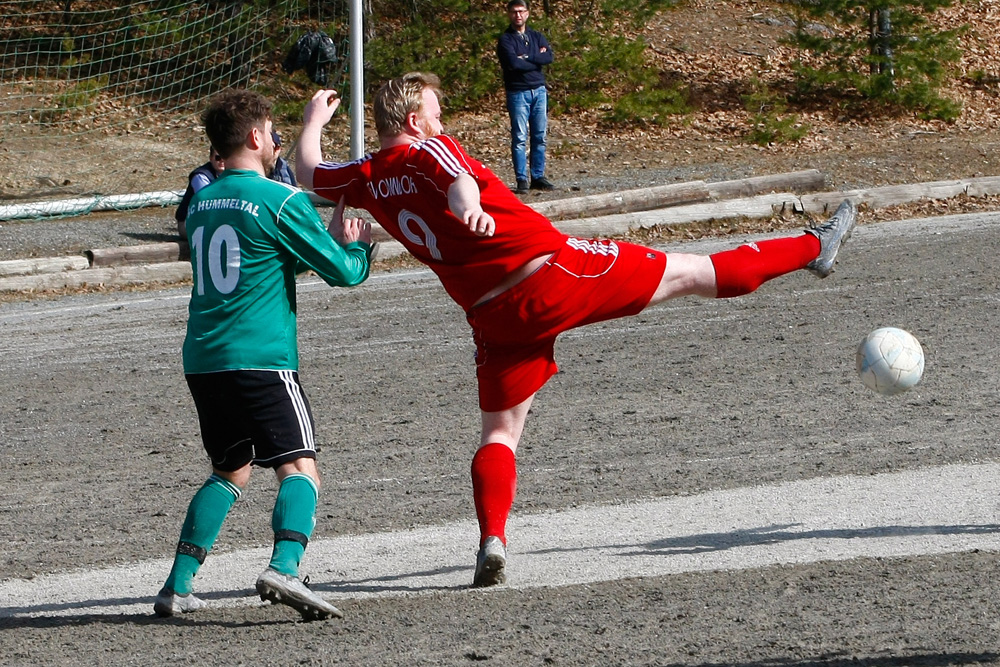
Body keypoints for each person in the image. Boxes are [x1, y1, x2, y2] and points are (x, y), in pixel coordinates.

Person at [295, 72, 856, 588]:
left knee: (499, 434)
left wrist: (313, 123)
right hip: (551, 275)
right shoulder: (426, 150)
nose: (443, 124)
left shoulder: (368, 174)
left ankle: (493, 539)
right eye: (437, 114)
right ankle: (813, 246)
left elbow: (308, 173)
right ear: (415, 122)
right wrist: (470, 209)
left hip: (492, 316)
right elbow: (458, 180)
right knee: (692, 271)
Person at [154, 88, 374, 620]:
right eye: (273, 131)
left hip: (204, 359)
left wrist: (315, 246)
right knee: (300, 466)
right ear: (255, 138)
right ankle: (285, 566)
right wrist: (358, 246)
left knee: (231, 469)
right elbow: (342, 274)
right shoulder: (281, 200)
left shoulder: (201, 204)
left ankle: (176, 585)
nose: (276, 141)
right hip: (261, 358)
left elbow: (258, 262)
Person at [497, 0, 554, 194]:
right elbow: (513, 64)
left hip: (539, 90)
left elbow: (549, 57)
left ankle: (537, 176)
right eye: (514, 12)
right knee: (520, 137)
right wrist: (535, 59)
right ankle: (522, 179)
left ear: (528, 14)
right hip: (518, 92)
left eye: (521, 11)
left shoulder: (537, 36)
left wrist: (527, 58)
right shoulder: (506, 40)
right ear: (509, 14)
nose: (518, 15)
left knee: (540, 136)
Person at [175, 147, 224, 238]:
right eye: (218, 157)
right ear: (210, 158)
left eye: (225, 157)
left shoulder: (228, 174)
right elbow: (208, 204)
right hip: (188, 221)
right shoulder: (201, 176)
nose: (222, 161)